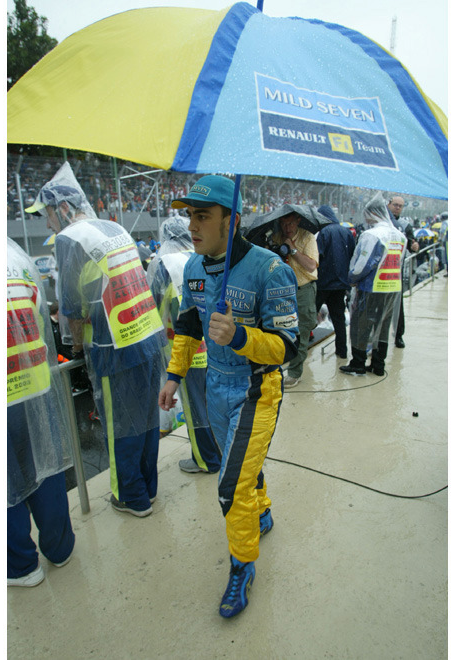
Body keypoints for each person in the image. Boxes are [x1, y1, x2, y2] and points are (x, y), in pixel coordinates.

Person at [157, 175, 299, 618]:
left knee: (230, 485)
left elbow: (288, 347)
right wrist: (174, 375)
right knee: (243, 469)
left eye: (203, 216)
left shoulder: (271, 269)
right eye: (189, 216)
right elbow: (188, 326)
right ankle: (263, 511)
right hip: (214, 385)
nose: (193, 226)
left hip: (257, 390)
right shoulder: (194, 269)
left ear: (230, 220)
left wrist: (240, 336)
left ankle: (242, 566)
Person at [26, 163, 168, 518]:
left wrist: (75, 350)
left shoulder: (69, 238)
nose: (46, 223)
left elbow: (72, 308)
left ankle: (130, 497)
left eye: (46, 213)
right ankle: (148, 489)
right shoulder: (113, 226)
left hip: (113, 348)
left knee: (120, 425)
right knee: (146, 419)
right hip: (147, 338)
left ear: (61, 208)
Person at [7, 237, 75, 587]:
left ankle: (21, 566)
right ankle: (60, 548)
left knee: (6, 484)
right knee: (45, 467)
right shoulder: (15, 257)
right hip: (34, 382)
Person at [146, 217, 221, 474]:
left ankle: (206, 460)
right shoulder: (200, 257)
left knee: (195, 409)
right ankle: (218, 452)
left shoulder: (163, 264)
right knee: (213, 406)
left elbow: (152, 310)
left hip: (183, 352)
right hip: (211, 347)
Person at [340, 193, 407, 377]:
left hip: (371, 288)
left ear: (373, 213)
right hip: (393, 288)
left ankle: (358, 363)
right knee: (383, 327)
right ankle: (378, 365)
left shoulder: (371, 235)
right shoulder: (400, 236)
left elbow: (363, 263)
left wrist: (352, 278)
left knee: (362, 326)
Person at [271, 211, 318, 388]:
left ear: (298, 221)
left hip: (303, 289)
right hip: (282, 291)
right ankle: (279, 367)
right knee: (280, 329)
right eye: (283, 224)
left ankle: (294, 372)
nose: (287, 228)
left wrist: (292, 249)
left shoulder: (308, 238)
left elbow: (311, 266)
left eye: (290, 224)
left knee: (302, 331)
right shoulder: (276, 237)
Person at [315, 205, 356, 359]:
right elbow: (352, 254)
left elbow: (317, 256)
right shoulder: (346, 232)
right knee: (338, 319)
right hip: (341, 284)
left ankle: (301, 349)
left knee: (311, 316)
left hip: (324, 283)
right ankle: (342, 351)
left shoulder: (324, 232)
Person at [386, 196, 419, 348]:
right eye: (395, 205)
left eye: (400, 206)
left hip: (395, 270)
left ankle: (398, 335)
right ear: (389, 204)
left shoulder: (405, 225)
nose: (397, 208)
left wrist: (414, 246)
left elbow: (412, 243)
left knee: (397, 305)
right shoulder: (382, 220)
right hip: (379, 270)